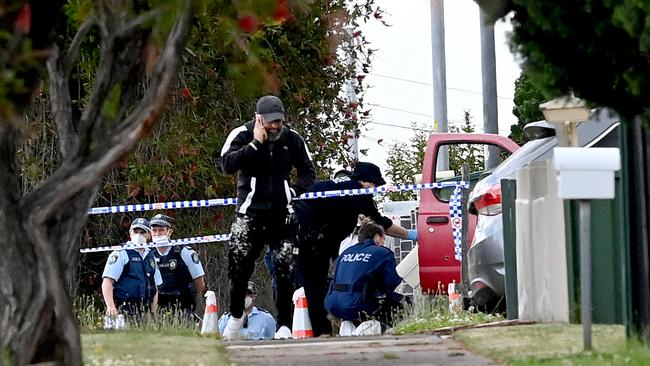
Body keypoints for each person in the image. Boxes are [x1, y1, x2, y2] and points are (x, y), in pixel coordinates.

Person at [219, 95, 316, 340]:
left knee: (284, 269)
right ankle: (236, 314)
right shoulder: (241, 134)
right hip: (249, 214)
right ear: (258, 118)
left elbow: (308, 171)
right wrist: (254, 145)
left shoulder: (293, 138)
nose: (275, 126)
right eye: (270, 122)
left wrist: (292, 192)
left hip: (282, 215)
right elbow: (227, 165)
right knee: (239, 269)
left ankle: (284, 323)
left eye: (279, 122)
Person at [293, 161, 417, 337]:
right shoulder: (358, 193)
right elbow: (383, 224)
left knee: (313, 285)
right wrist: (410, 234)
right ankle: (323, 331)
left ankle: (323, 330)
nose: (374, 190)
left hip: (303, 236)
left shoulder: (334, 187)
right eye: (374, 185)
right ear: (366, 181)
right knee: (316, 284)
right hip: (315, 239)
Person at [324, 223, 403, 329]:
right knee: (403, 304)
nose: (383, 242)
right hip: (358, 304)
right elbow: (392, 282)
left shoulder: (345, 252)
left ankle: (350, 326)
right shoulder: (383, 253)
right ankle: (375, 331)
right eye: (383, 238)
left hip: (333, 304)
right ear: (377, 237)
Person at [102, 218, 163, 316]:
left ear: (148, 235)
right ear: (130, 233)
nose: (138, 235)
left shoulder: (151, 257)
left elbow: (154, 287)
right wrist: (110, 307)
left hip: (145, 311)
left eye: (142, 232)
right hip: (124, 309)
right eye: (135, 231)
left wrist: (153, 312)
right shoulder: (121, 253)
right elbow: (107, 281)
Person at [149, 213, 206, 316]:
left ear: (169, 232)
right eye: (154, 230)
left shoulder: (184, 252)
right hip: (158, 308)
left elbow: (200, 282)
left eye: (161, 230)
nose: (157, 234)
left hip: (183, 307)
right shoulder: (149, 254)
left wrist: (193, 301)